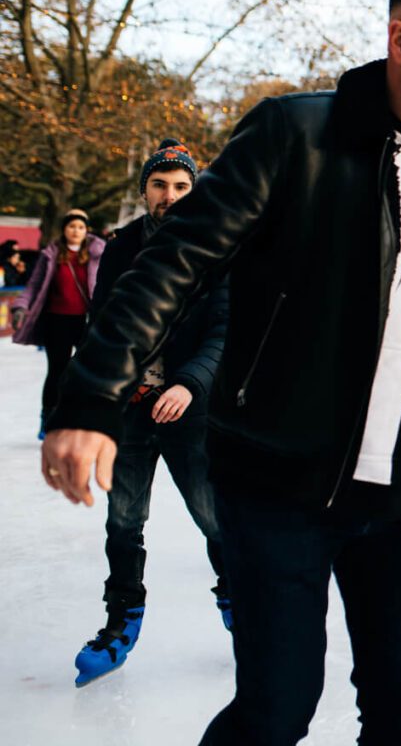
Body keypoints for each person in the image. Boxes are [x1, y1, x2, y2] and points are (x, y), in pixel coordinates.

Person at [42, 0, 401, 746]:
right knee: (276, 709)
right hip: (281, 483)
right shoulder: (296, 134)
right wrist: (93, 398)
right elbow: (175, 263)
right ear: (400, 39)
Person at [71, 140, 234, 687]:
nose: (170, 196)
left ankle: (245, 609)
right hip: (132, 412)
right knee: (123, 521)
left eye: (182, 187)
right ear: (144, 190)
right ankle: (121, 619)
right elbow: (105, 325)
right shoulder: (119, 249)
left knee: (215, 518)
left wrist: (190, 383)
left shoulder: (216, 247)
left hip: (191, 412)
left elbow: (223, 330)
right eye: (160, 186)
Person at [12, 210, 104, 433]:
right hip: (57, 321)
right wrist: (20, 307)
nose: (76, 231)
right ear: (64, 229)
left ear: (87, 231)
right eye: (72, 226)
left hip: (86, 321)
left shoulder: (97, 255)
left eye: (81, 227)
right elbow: (34, 285)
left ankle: (80, 417)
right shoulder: (51, 254)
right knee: (57, 371)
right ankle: (48, 417)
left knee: (87, 370)